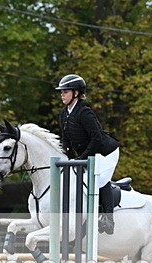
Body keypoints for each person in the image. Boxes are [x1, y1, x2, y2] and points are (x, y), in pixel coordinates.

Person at [56, 74, 120, 234]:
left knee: (99, 178)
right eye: (61, 92)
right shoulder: (64, 114)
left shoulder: (84, 112)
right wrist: (68, 159)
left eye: (65, 91)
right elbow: (67, 141)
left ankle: (108, 219)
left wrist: (81, 159)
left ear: (76, 93)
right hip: (89, 154)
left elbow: (96, 138)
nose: (62, 94)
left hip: (106, 152)